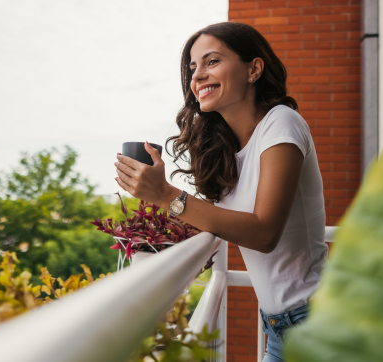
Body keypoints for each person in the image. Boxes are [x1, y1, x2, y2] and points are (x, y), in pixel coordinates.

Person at [114, 22, 327, 362]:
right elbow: (218, 221)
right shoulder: (226, 150)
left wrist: (167, 195)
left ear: (253, 69)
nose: (197, 75)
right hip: (279, 328)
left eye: (212, 61)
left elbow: (264, 232)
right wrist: (149, 240)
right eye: (193, 67)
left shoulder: (282, 124)